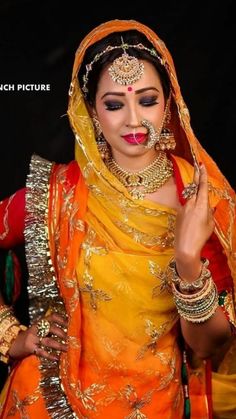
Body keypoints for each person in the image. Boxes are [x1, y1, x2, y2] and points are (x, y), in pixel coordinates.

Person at [0, 19, 235, 419]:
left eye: (147, 100)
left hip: (159, 404)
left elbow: (210, 346)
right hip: (49, 399)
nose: (133, 120)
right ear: (90, 110)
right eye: (113, 104)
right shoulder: (58, 192)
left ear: (169, 101)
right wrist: (11, 336)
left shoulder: (202, 197)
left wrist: (187, 260)